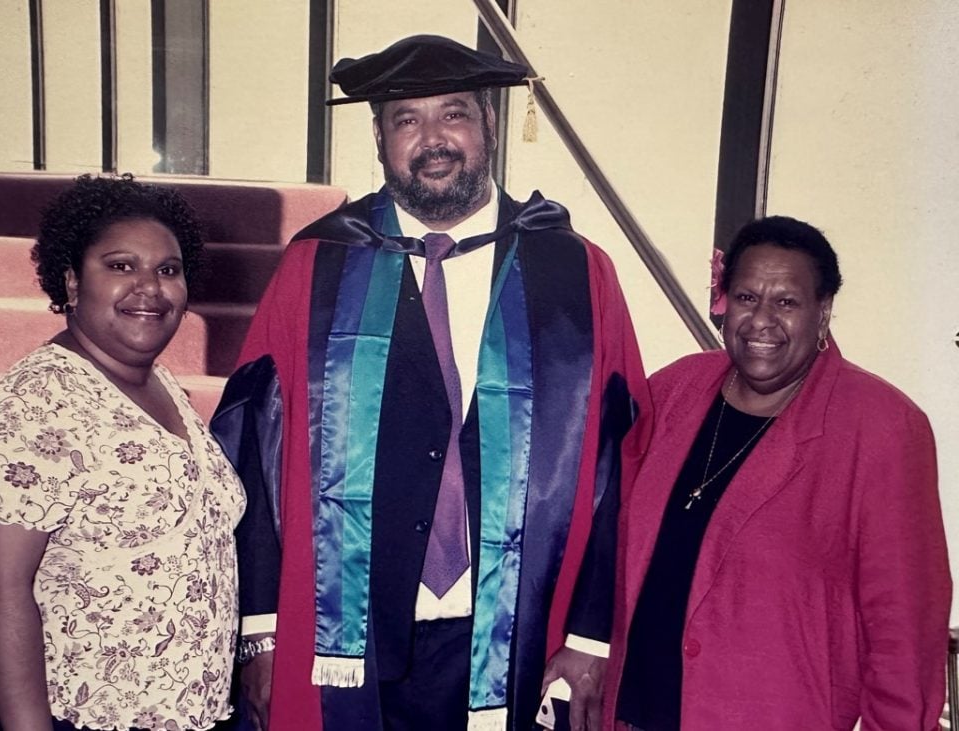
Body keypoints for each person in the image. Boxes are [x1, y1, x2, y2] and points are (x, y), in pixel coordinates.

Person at [210, 34, 650, 731]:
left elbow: (618, 462)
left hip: (520, 621)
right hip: (344, 629)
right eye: (406, 120)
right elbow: (251, 450)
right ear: (380, 137)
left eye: (454, 115)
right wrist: (260, 628)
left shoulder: (574, 272)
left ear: (491, 127)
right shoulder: (318, 264)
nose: (432, 139)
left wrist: (590, 634)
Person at [607, 216, 952, 730]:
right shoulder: (675, 390)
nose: (760, 321)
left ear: (823, 311)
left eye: (786, 302)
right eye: (746, 298)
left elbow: (904, 629)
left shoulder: (880, 426)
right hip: (635, 713)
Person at [0, 174, 246, 731]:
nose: (149, 287)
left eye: (168, 269)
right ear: (70, 281)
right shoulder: (38, 400)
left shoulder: (161, 385)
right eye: (120, 266)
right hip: (76, 719)